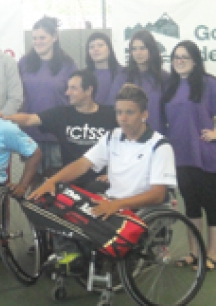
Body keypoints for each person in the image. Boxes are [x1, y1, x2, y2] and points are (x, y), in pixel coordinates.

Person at [32, 84, 177, 265]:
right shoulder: (112, 136)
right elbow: (83, 164)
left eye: (129, 113)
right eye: (119, 112)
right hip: (112, 201)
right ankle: (71, 256)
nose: (122, 119)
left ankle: (83, 258)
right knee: (59, 197)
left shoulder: (160, 146)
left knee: (92, 223)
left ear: (144, 115)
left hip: (138, 208)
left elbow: (158, 196)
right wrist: (52, 181)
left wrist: (117, 204)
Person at [6, 70, 116, 193]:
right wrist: (3, 117)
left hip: (101, 185)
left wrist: (114, 175)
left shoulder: (111, 115)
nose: (67, 92)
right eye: (68, 88)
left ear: (89, 90)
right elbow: (29, 119)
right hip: (69, 182)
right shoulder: (61, 114)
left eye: (73, 88)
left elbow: (129, 147)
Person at [161, 41, 216, 271]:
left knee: (211, 205)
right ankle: (194, 253)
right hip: (180, 155)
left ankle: (212, 254)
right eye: (176, 56)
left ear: (195, 60)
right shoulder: (170, 86)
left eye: (184, 56)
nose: (179, 60)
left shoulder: (208, 83)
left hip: (204, 154)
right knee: (190, 205)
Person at [17, 16, 77, 171]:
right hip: (30, 133)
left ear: (54, 37)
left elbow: (75, 99)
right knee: (32, 180)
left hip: (58, 134)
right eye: (35, 38)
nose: (38, 41)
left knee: (55, 182)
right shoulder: (23, 63)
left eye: (42, 37)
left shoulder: (68, 65)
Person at [124, 29, 168, 133]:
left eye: (142, 48)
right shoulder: (123, 77)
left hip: (157, 136)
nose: (138, 53)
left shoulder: (165, 78)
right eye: (134, 49)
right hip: (130, 137)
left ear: (151, 49)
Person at [84, 31, 126, 106]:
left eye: (100, 45)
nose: (96, 49)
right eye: (91, 47)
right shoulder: (83, 76)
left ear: (109, 48)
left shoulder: (123, 73)